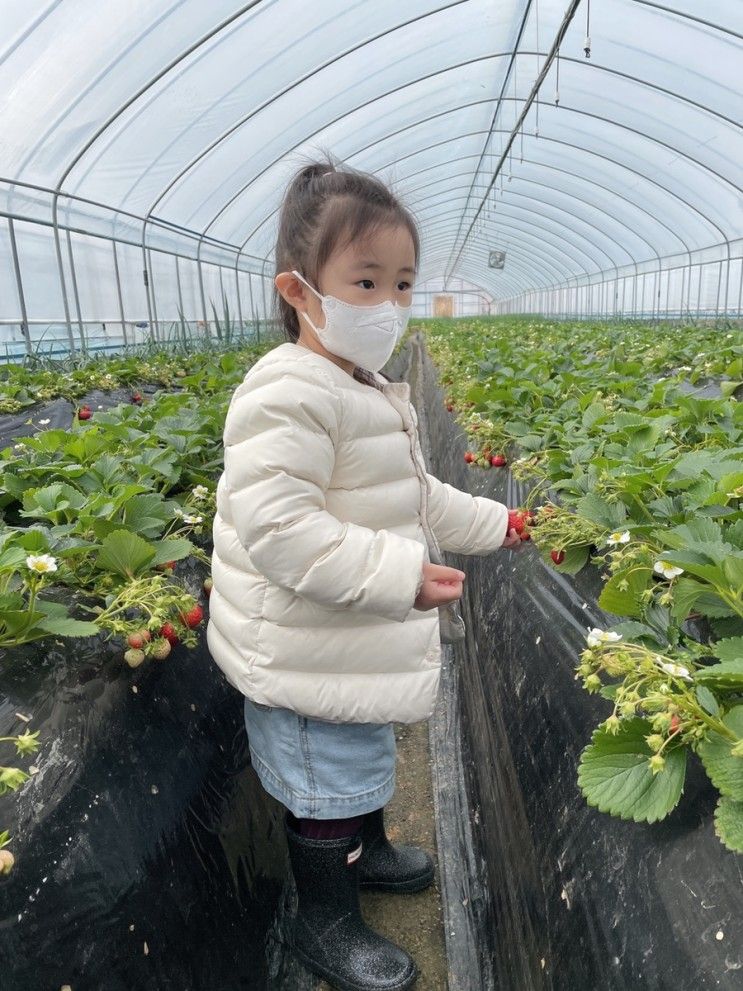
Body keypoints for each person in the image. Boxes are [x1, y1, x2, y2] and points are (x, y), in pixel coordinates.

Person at [206, 155, 523, 991]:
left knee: (361, 750)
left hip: (344, 642)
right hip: (307, 655)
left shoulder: (367, 387)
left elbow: (417, 498)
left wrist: (500, 522)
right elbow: (279, 531)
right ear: (300, 291)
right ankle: (325, 920)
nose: (387, 305)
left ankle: (371, 851)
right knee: (326, 786)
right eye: (366, 280)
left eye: (402, 284)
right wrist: (400, 577)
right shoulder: (286, 392)